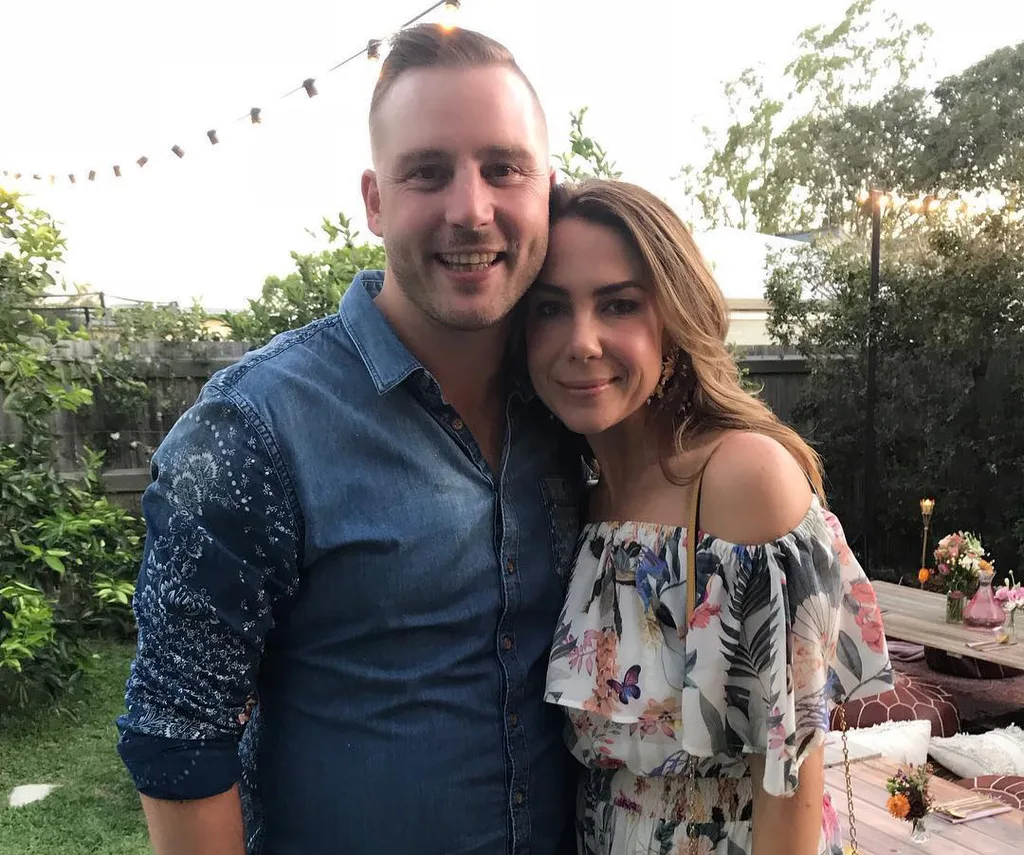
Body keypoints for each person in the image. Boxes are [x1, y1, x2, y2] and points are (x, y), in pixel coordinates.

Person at [116, 25, 583, 855]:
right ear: (374, 201)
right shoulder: (255, 427)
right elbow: (177, 731)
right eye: (427, 172)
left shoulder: (574, 402)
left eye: (503, 168)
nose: (470, 209)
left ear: (549, 187)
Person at [525, 180, 894, 855]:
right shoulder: (581, 497)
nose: (581, 341)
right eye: (550, 307)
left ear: (674, 318)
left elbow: (788, 784)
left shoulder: (740, 479)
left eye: (619, 304)